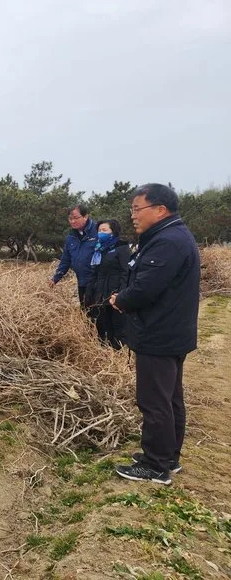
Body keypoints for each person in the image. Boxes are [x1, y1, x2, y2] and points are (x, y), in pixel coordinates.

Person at [109, 184, 200, 485]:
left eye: (137, 209)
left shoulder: (167, 242)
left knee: (154, 400)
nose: (133, 215)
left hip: (159, 333)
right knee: (170, 397)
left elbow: (146, 288)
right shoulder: (171, 236)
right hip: (171, 331)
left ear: (160, 210)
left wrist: (121, 300)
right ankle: (168, 456)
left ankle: (155, 465)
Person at [84, 219, 130, 349]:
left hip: (115, 292)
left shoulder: (121, 248)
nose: (100, 233)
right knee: (105, 323)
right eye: (99, 230)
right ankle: (107, 349)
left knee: (118, 324)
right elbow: (96, 272)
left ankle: (118, 350)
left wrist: (121, 292)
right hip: (101, 293)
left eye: (104, 230)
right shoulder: (99, 249)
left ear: (113, 232)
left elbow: (126, 272)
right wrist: (90, 291)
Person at [49, 205, 98, 309]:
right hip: (82, 281)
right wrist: (55, 278)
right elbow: (65, 260)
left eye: (76, 218)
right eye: (70, 219)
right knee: (85, 311)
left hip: (97, 282)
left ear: (85, 216)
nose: (72, 221)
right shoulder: (71, 237)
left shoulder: (98, 231)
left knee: (97, 312)